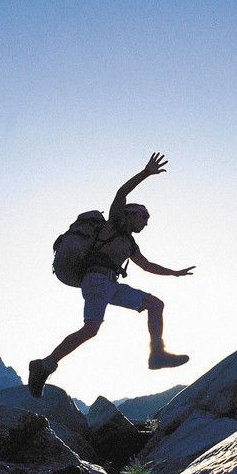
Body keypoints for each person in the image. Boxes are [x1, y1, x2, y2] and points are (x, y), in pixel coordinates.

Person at [28, 152, 195, 398]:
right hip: (95, 279)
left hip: (110, 284)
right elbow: (121, 193)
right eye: (143, 216)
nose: (146, 222)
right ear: (129, 213)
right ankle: (45, 364)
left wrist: (175, 273)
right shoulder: (115, 223)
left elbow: (147, 266)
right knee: (91, 329)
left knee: (155, 304)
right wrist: (145, 173)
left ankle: (157, 354)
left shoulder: (129, 243)